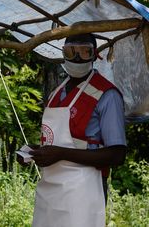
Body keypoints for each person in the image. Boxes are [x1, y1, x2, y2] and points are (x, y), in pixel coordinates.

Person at [20, 33, 127, 227]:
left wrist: (60, 154)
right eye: (70, 51)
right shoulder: (56, 93)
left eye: (84, 52)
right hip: (50, 188)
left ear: (95, 55)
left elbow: (117, 154)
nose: (77, 58)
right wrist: (33, 151)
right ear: (63, 54)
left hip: (83, 189)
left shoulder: (107, 95)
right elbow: (54, 143)